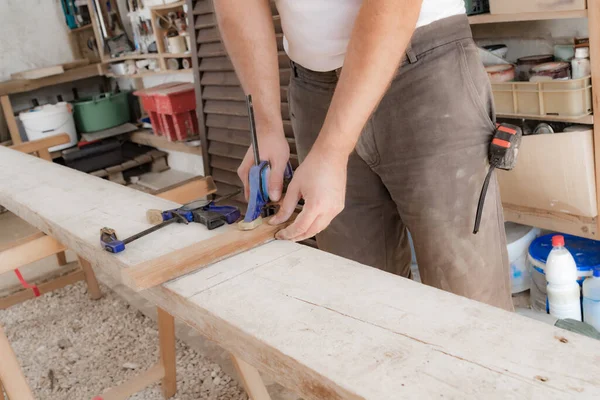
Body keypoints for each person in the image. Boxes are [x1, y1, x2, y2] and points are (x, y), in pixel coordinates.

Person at [213, 0, 514, 311]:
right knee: (357, 302)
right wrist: (265, 124)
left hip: (423, 65)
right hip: (314, 86)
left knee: (472, 306)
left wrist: (332, 151)